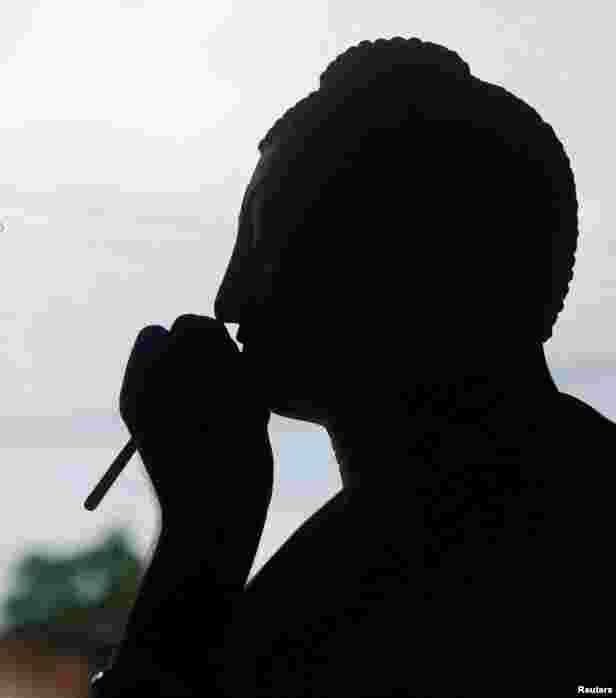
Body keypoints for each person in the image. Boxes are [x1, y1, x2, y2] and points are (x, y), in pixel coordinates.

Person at [96, 37, 614, 696]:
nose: (229, 298)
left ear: (412, 259)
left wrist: (203, 538)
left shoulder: (374, 595)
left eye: (267, 240)